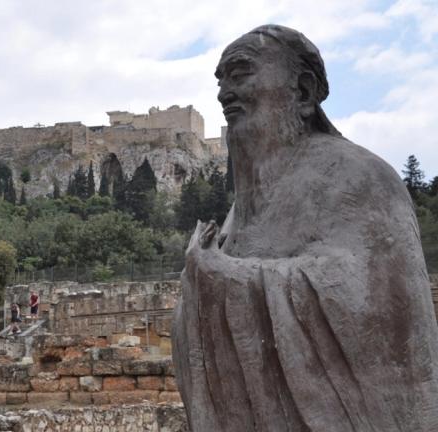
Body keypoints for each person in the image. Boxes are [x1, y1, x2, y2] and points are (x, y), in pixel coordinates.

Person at [171, 25, 438, 431]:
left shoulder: (360, 177)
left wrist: (224, 274)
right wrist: (200, 285)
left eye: (240, 74)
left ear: (304, 90)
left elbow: (380, 309)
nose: (224, 93)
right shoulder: (239, 209)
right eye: (221, 80)